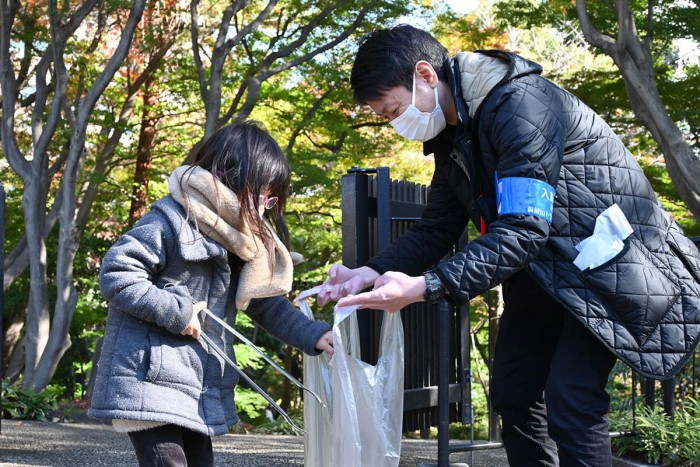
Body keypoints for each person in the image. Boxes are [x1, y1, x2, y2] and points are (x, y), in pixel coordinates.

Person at [317, 25, 700, 466]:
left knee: (572, 399)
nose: (395, 124)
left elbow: (523, 228)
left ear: (425, 75)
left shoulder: (521, 104)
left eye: (393, 111)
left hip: (610, 265)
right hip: (547, 271)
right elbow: (435, 230)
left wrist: (427, 286)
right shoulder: (453, 138)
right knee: (514, 393)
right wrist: (369, 271)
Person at [89, 121, 334, 467]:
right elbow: (118, 273)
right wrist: (179, 311)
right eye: (262, 195)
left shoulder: (237, 237)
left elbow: (263, 303)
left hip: (194, 385)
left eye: (272, 199)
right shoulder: (171, 219)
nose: (265, 208)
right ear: (228, 176)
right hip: (149, 379)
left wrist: (315, 334)